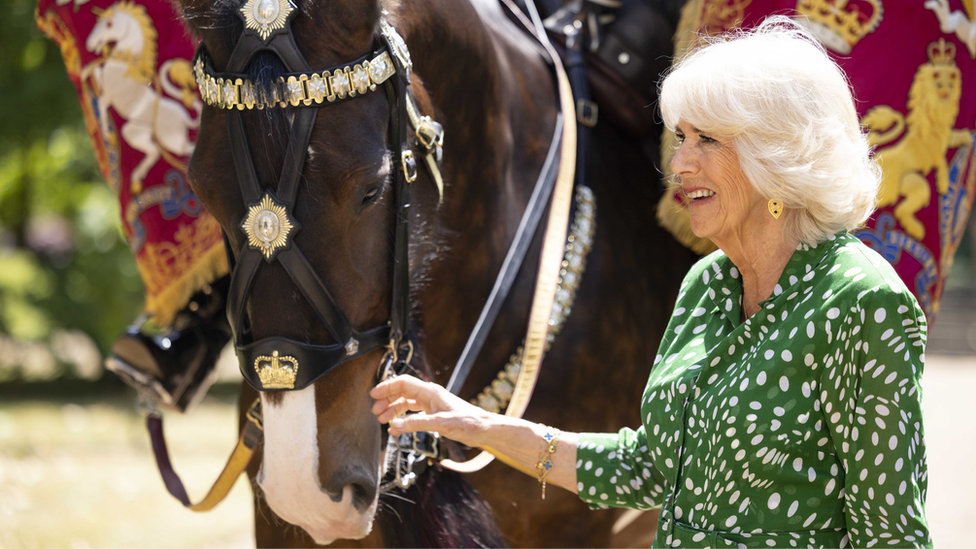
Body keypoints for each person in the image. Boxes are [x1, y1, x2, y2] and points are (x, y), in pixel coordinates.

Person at [370, 18, 932, 549]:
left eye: (706, 140)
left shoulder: (862, 301)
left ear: (779, 157)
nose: (679, 163)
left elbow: (892, 532)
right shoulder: (706, 284)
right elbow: (646, 470)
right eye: (680, 137)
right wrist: (477, 424)